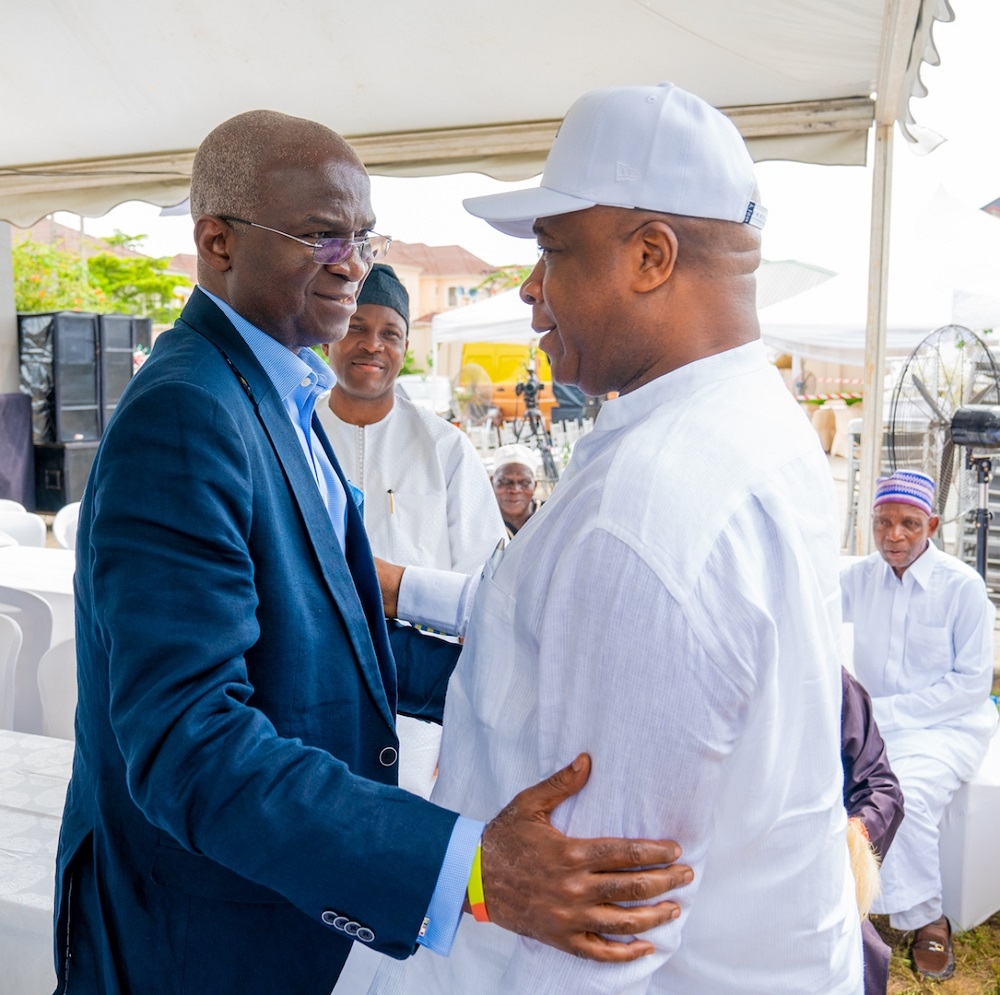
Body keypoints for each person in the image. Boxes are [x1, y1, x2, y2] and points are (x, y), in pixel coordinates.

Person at [51, 108, 693, 995]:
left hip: (285, 917)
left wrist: (532, 673)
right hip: (199, 939)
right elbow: (190, 743)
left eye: (361, 234)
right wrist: (468, 865)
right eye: (320, 236)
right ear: (217, 241)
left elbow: (335, 639)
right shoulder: (187, 415)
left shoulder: (280, 391)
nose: (353, 264)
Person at [369, 82, 863, 994]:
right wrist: (402, 587)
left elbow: (596, 939)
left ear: (649, 256)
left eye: (552, 250)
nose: (527, 286)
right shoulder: (752, 419)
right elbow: (548, 612)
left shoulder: (653, 506)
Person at [316, 262, 505, 799]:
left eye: (389, 333)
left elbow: (483, 583)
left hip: (416, 708)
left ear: (405, 346)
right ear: (333, 333)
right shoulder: (295, 434)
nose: (371, 345)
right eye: (356, 326)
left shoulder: (443, 447)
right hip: (314, 689)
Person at [841, 469, 998, 981]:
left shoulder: (963, 587)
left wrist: (878, 715)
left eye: (909, 523)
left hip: (947, 728)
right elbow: (815, 624)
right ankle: (847, 900)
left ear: (930, 523)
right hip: (872, 726)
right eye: (883, 522)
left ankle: (928, 917)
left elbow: (971, 684)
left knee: (901, 793)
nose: (894, 535)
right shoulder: (857, 578)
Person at [840, 667, 905, 995]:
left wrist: (856, 834)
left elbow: (878, 784)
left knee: (859, 952)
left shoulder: (832, 683)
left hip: (817, 864)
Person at [489, 443, 541, 537]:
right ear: (492, 482)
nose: (515, 490)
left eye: (525, 482)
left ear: (535, 485)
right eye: (505, 481)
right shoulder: (483, 522)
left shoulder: (549, 514)